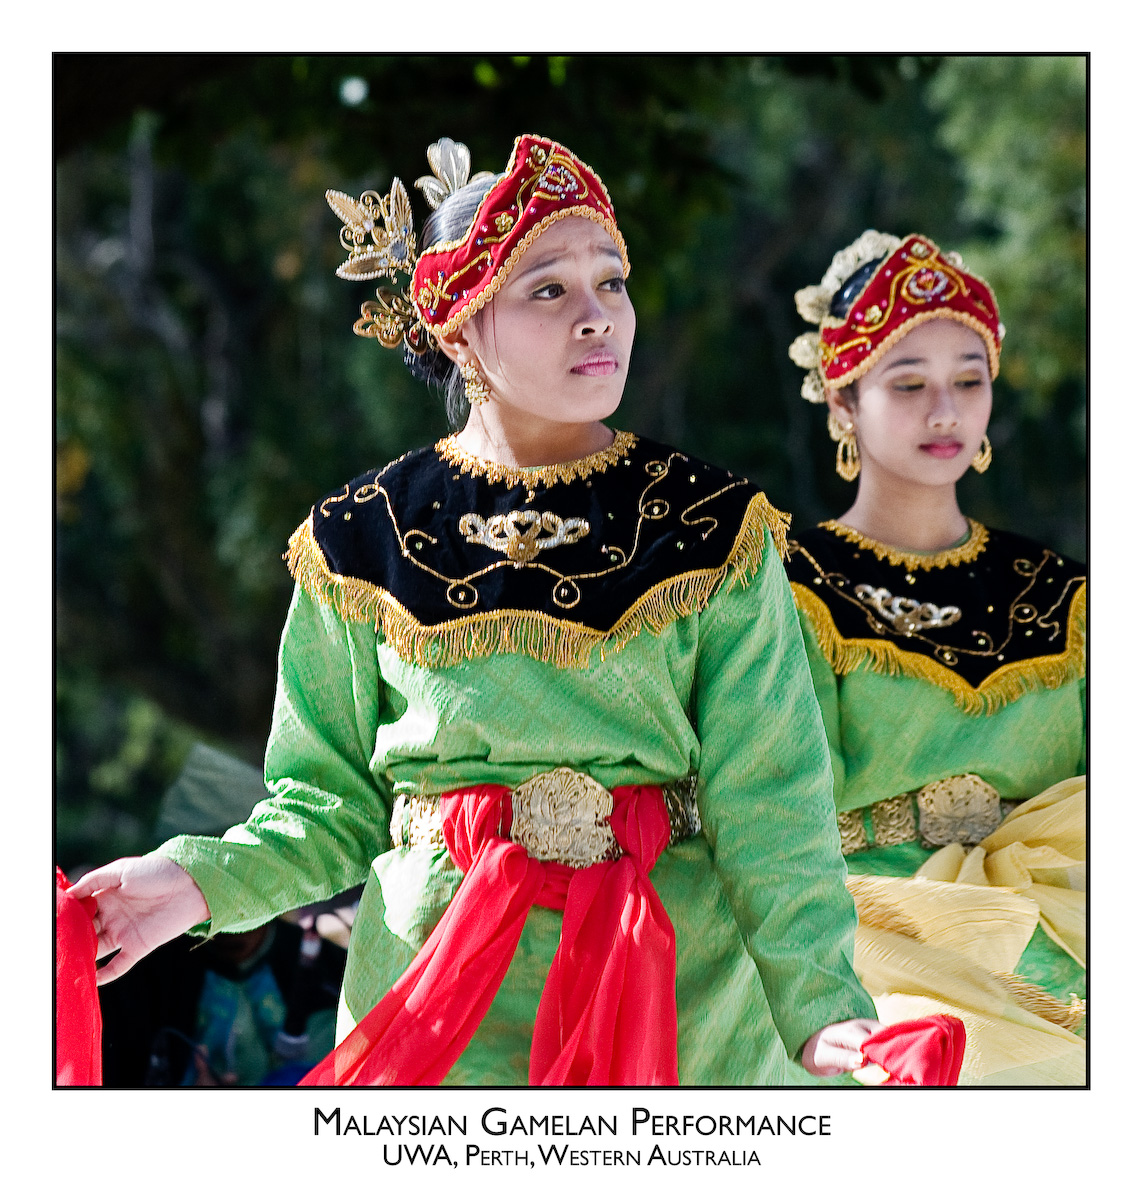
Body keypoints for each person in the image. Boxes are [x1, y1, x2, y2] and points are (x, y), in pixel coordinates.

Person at [72, 135, 908, 1087]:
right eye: (548, 290)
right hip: (433, 1003)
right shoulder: (360, 539)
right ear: (458, 328)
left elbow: (772, 803)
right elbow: (329, 807)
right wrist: (190, 882)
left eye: (613, 281)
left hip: (682, 1002)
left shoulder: (710, 528)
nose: (598, 318)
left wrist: (823, 1012)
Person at [785, 230, 1086, 1085]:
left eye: (967, 381)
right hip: (868, 929)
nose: (944, 410)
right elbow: (770, 801)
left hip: (1060, 916)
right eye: (908, 384)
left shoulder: (1064, 594)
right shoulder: (789, 587)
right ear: (843, 403)